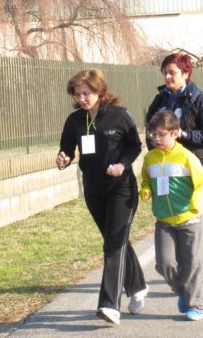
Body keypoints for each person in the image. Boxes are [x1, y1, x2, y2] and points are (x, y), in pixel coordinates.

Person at [57, 68, 147, 325]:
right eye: (77, 94)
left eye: (87, 93)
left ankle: (109, 305)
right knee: (114, 240)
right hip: (94, 190)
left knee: (113, 245)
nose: (82, 98)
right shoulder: (75, 120)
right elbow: (67, 149)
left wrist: (123, 165)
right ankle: (138, 286)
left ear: (99, 91)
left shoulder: (120, 115)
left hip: (121, 189)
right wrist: (63, 158)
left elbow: (135, 145)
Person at [146, 53, 203, 281]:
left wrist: (184, 135)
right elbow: (151, 130)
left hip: (201, 169)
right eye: (165, 73)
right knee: (176, 221)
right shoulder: (160, 100)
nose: (167, 77)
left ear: (186, 74)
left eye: (172, 72)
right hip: (172, 172)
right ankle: (184, 276)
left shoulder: (200, 100)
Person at [140, 110, 203, 321]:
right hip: (164, 221)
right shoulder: (150, 159)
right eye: (153, 134)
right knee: (164, 264)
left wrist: (196, 205)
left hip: (190, 219)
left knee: (191, 263)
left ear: (174, 133)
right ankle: (182, 291)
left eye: (162, 134)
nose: (156, 139)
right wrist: (146, 189)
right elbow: (146, 180)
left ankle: (196, 305)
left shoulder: (187, 156)